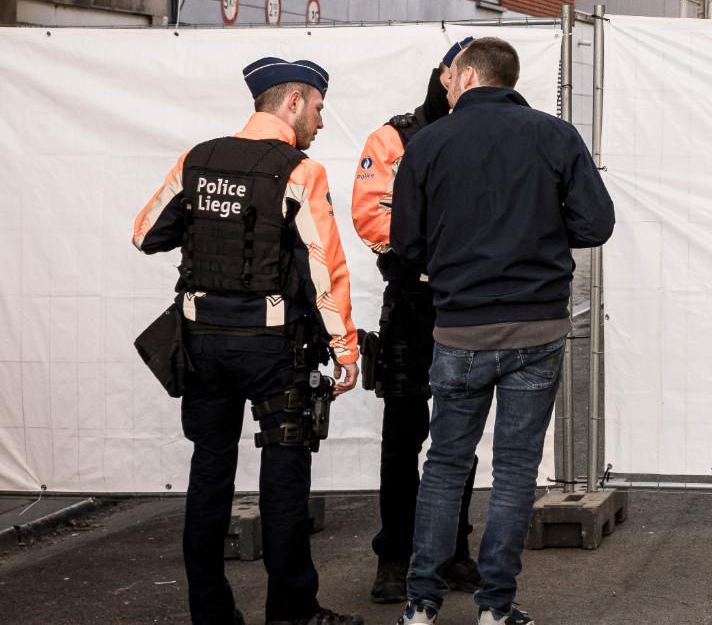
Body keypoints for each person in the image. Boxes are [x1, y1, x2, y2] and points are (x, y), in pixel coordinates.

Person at [132, 57, 364, 625]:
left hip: (201, 343)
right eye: (317, 108)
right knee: (284, 477)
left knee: (209, 471)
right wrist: (346, 350)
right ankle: (292, 613)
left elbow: (145, 234)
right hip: (271, 349)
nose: (321, 121)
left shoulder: (198, 159)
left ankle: (210, 614)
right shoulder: (299, 171)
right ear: (291, 104)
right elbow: (323, 268)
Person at [393, 37, 615, 625]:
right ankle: (495, 608)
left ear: (466, 76)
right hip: (536, 326)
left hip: (460, 329)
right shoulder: (554, 135)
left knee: (445, 463)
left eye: (447, 77)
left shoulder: (427, 143)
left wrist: (447, 255)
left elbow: (407, 244)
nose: (443, 85)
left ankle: (420, 604)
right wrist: (539, 232)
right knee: (516, 469)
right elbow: (596, 222)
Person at [352, 37, 482, 603]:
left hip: (466, 301)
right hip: (410, 301)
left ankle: (454, 551)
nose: (462, 87)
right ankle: (395, 556)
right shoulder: (392, 136)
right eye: (457, 75)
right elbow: (370, 214)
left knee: (461, 435)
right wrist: (433, 255)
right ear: (443, 74)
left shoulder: (484, 134)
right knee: (402, 436)